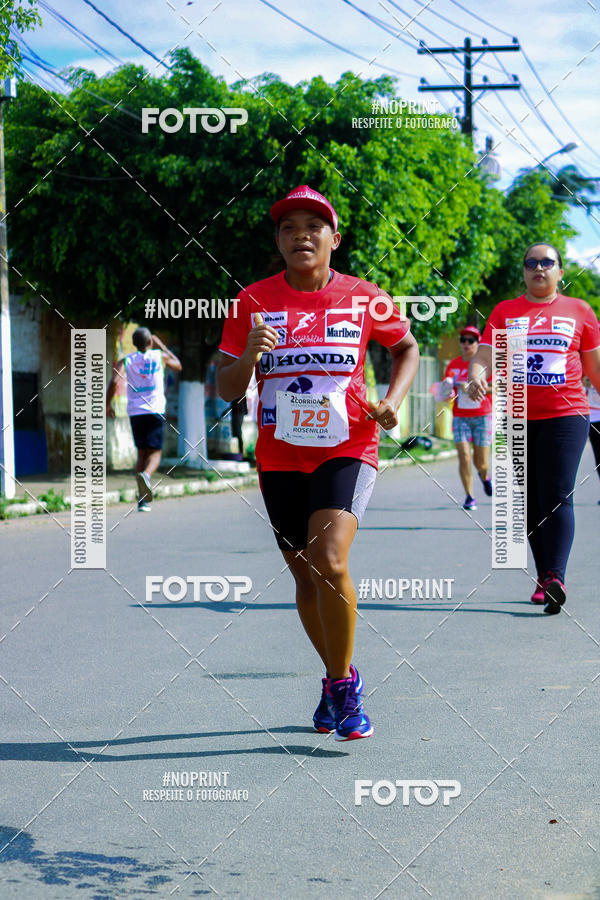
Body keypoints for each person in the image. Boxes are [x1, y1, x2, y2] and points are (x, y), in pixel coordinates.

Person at [217, 185, 419, 739]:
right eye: (288, 228)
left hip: (349, 446)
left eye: (313, 225)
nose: (300, 235)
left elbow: (406, 347)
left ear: (334, 238)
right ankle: (337, 677)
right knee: (304, 575)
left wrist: (392, 403)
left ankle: (342, 688)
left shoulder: (363, 296)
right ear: (279, 241)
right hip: (279, 454)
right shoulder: (252, 301)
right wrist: (250, 355)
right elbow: (226, 385)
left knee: (329, 559)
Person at [468, 243, 600, 614]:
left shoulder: (580, 312)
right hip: (515, 416)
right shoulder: (505, 312)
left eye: (547, 262)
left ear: (560, 270)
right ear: (523, 271)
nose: (539, 268)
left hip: (567, 414)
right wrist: (477, 375)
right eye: (531, 263)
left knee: (557, 492)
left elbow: (595, 370)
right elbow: (483, 355)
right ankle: (545, 577)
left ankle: (557, 575)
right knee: (527, 500)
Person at [106, 328, 182, 512]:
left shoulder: (127, 360)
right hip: (155, 410)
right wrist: (161, 344)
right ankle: (147, 476)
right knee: (155, 454)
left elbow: (115, 381)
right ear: (150, 343)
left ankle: (142, 501)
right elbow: (178, 365)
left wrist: (107, 405)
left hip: (135, 412)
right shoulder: (159, 356)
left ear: (134, 344)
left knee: (141, 453)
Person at [442, 325, 493, 510]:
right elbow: (445, 389)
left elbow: (499, 387)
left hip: (483, 416)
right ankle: (470, 497)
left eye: (471, 340)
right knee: (464, 456)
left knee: (481, 462)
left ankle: (485, 477)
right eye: (463, 340)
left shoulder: (485, 365)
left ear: (478, 343)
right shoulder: (453, 365)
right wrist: (448, 390)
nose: (466, 343)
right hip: (460, 417)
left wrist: (475, 387)